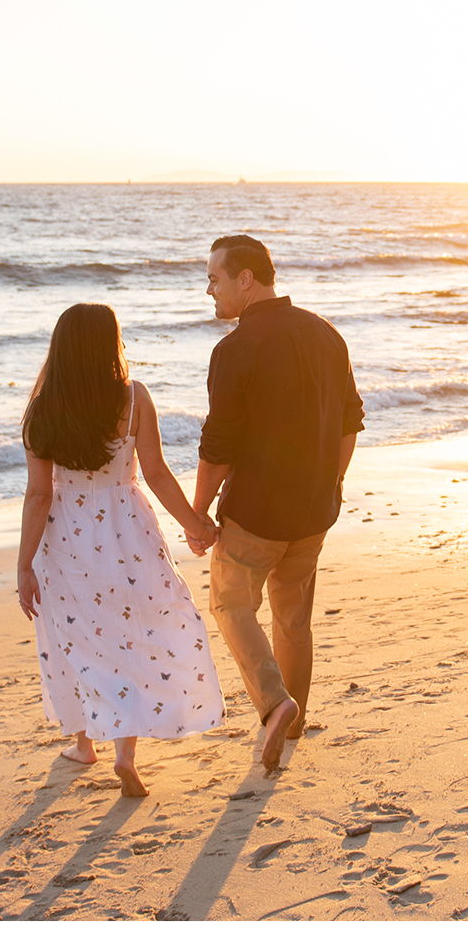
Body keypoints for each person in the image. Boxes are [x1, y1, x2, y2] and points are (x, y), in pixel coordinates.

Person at [17, 303, 224, 797]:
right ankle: (126, 755)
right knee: (129, 632)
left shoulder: (43, 407)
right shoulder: (133, 399)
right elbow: (155, 473)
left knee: (78, 637)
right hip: (127, 528)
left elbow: (39, 494)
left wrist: (24, 564)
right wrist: (194, 524)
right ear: (110, 343)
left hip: (66, 535)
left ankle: (85, 745)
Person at [187, 234, 364, 773]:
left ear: (246, 280)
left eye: (215, 279)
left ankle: (274, 704)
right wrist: (330, 482)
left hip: (256, 514)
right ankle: (297, 717)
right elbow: (350, 421)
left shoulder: (235, 350)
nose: (209, 291)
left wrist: (198, 512)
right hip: (313, 510)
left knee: (230, 605)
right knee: (293, 617)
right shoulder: (325, 334)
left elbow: (218, 446)